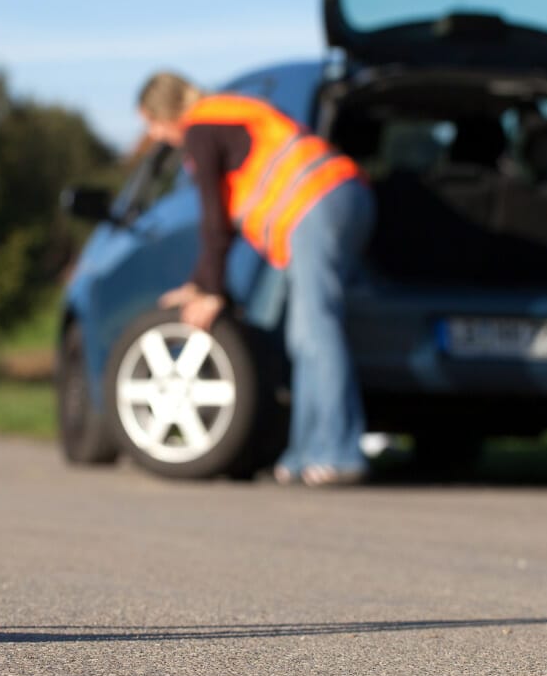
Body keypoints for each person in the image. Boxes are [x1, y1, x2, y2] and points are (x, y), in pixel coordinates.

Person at [136, 71, 376, 487]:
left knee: (316, 328)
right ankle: (304, 455)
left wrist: (209, 291)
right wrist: (202, 284)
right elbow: (224, 222)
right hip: (341, 197)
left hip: (316, 200)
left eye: (152, 124)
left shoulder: (201, 127)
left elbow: (214, 220)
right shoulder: (227, 114)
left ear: (164, 112)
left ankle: (338, 453)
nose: (156, 135)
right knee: (305, 332)